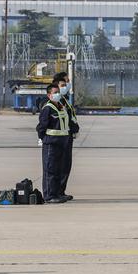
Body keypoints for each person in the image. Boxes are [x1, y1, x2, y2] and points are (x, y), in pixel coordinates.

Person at [36, 84, 69, 204]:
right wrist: (42, 138)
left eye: (58, 92)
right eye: (55, 92)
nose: (57, 94)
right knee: (50, 170)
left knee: (58, 170)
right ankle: (49, 195)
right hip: (51, 143)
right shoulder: (47, 108)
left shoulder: (60, 106)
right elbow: (41, 126)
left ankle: (56, 193)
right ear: (49, 95)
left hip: (61, 143)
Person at [52, 71, 79, 201]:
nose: (67, 85)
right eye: (65, 83)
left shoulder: (64, 99)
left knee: (66, 165)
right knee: (60, 165)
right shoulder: (57, 101)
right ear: (58, 84)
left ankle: (61, 191)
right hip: (61, 137)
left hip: (67, 136)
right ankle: (56, 192)